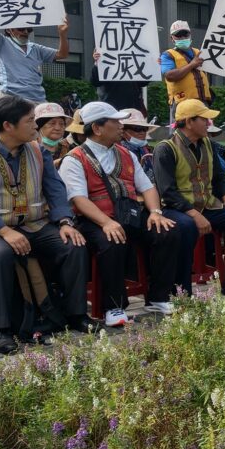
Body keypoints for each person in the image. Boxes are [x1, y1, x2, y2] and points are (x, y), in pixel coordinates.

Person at [0, 96, 93, 354]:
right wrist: (5, 231)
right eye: (30, 120)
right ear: (8, 126)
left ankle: (75, 315)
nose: (35, 125)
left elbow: (55, 190)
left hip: (34, 224)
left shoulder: (37, 150)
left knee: (72, 243)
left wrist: (65, 221)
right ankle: (2, 330)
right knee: (0, 254)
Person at [59, 101, 179, 326]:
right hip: (93, 220)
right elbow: (78, 199)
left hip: (128, 215)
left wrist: (155, 212)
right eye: (115, 121)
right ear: (97, 128)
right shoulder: (74, 159)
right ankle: (113, 306)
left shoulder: (126, 154)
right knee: (112, 240)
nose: (121, 125)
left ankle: (158, 297)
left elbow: (147, 187)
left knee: (166, 231)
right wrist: (106, 222)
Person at [152, 99, 225, 297]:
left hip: (209, 206)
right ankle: (181, 292)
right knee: (186, 227)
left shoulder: (208, 145)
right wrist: (193, 214)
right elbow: (167, 191)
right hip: (177, 209)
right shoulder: (165, 148)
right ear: (189, 121)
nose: (209, 123)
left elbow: (219, 177)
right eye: (204, 119)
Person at [0, 0, 70, 103]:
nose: (26, 32)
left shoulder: (36, 48)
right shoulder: (2, 43)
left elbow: (62, 54)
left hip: (37, 100)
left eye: (29, 29)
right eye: (21, 28)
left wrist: (62, 35)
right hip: (10, 98)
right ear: (9, 29)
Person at [160, 20, 213, 123]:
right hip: (182, 104)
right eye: (178, 35)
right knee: (182, 133)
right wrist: (192, 65)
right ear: (172, 38)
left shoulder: (200, 52)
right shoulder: (168, 55)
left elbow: (222, 65)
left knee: (204, 132)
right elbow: (169, 76)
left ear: (190, 35)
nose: (182, 37)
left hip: (202, 102)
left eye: (185, 34)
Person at [90, 48, 148, 113]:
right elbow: (95, 82)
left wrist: (154, 66)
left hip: (132, 110)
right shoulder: (107, 66)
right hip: (112, 109)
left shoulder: (132, 66)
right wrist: (98, 63)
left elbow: (143, 82)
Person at [119, 109, 158, 180]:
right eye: (137, 128)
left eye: (145, 128)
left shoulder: (145, 149)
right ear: (123, 131)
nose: (142, 132)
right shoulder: (120, 152)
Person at [34, 102, 71, 168]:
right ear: (40, 126)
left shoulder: (69, 149)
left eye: (61, 124)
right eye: (52, 123)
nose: (57, 128)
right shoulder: (30, 149)